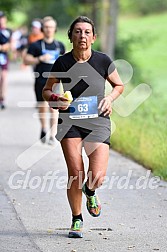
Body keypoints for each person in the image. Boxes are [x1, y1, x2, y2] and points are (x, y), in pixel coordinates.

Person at [42, 16, 124, 238]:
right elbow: (47, 90)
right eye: (78, 32)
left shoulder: (103, 61)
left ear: (94, 37)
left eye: (87, 32)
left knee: (97, 175)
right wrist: (56, 98)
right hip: (69, 122)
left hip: (98, 121)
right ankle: (76, 219)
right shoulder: (62, 63)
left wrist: (110, 99)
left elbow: (119, 85)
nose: (82, 36)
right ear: (70, 37)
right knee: (75, 173)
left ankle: (91, 191)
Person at [24, 16, 65, 145]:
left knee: (54, 108)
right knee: (42, 107)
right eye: (46, 27)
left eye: (51, 27)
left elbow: (65, 62)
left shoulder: (60, 46)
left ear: (55, 29)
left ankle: (52, 135)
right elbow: (26, 60)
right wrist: (39, 59)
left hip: (55, 81)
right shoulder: (36, 45)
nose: (48, 30)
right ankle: (43, 128)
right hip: (40, 79)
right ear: (42, 29)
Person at [0, 11, 12, 109]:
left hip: (3, 57)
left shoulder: (7, 31)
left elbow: (10, 44)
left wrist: (3, 47)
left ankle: (2, 98)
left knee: (3, 77)